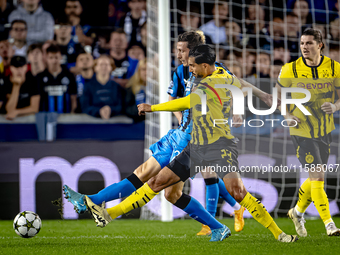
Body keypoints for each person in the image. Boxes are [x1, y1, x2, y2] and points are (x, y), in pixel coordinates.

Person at [85, 44, 298, 243]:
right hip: (196, 147)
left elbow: (186, 102)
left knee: (238, 192)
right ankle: (109, 214)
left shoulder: (209, 84)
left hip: (221, 146)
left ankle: (279, 234)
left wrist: (153, 108)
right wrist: (264, 96)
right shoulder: (225, 75)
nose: (191, 69)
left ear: (205, 65)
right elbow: (241, 84)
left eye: (194, 65)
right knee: (157, 183)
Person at [64, 31, 246, 238]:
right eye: (176, 50)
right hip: (179, 133)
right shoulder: (180, 71)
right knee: (159, 184)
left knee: (166, 187)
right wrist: (179, 117)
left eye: (181, 50)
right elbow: (175, 97)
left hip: (194, 140)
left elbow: (238, 88)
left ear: (194, 52)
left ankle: (96, 204)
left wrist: (237, 112)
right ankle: (92, 200)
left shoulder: (215, 72)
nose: (177, 54)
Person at [275, 28, 340, 237]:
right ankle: (329, 224)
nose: (304, 47)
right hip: (300, 129)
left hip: (324, 129)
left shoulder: (334, 67)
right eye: (302, 43)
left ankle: (297, 212)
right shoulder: (289, 69)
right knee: (318, 175)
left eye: (309, 43)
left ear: (320, 45)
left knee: (316, 176)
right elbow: (277, 97)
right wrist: (286, 115)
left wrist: (336, 107)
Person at [80, 54, 125, 119]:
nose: (104, 67)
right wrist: (99, 111)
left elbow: (121, 106)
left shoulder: (117, 87)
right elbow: (85, 107)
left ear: (111, 68)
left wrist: (110, 110)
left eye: (106, 64)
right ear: (95, 68)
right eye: (101, 64)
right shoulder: (88, 86)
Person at [37, 44, 77, 113]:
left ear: (61, 57)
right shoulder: (40, 77)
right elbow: (37, 99)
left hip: (65, 117)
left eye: (56, 57)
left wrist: (72, 114)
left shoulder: (69, 76)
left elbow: (73, 98)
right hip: (45, 118)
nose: (54, 61)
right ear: (46, 58)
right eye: (51, 58)